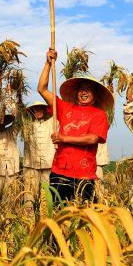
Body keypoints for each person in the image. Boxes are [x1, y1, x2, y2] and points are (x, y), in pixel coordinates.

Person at [37, 48, 111, 203]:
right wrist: (47, 63)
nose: (84, 92)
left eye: (88, 90)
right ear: (77, 93)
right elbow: (42, 89)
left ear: (95, 95)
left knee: (83, 217)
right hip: (59, 171)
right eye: (81, 89)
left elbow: (92, 139)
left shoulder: (99, 115)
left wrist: (63, 138)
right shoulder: (64, 108)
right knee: (57, 214)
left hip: (84, 174)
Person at [21, 101, 54, 207]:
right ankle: (28, 218)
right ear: (31, 112)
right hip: (31, 165)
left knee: (47, 194)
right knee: (29, 195)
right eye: (35, 109)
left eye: (40, 108)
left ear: (45, 110)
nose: (38, 111)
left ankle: (46, 217)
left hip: (48, 165)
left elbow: (58, 112)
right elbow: (17, 116)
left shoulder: (51, 123)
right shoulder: (26, 126)